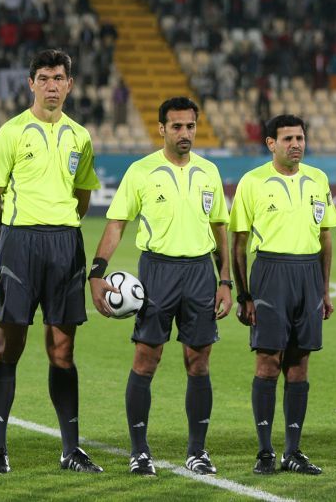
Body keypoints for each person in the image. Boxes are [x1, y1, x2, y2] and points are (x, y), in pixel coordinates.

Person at [89, 96, 232, 476]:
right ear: (162, 129)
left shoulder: (209, 172)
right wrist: (97, 272)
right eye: (177, 126)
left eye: (190, 126)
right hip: (157, 272)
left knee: (198, 361)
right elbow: (117, 223)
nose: (185, 133)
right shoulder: (141, 171)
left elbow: (220, 227)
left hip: (200, 272)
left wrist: (225, 280)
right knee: (146, 359)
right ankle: (139, 452)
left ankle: (197, 451)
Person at [0, 49, 102, 474]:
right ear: (31, 83)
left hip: (65, 244)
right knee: (9, 345)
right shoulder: (11, 132)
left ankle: (71, 450)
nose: (52, 86)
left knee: (63, 350)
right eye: (44, 78)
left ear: (69, 84)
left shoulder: (80, 137)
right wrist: (7, 240)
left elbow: (83, 193)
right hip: (19, 243)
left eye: (59, 78)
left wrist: (62, 226)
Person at [230, 114, 336, 476]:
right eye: (288, 138)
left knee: (299, 364)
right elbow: (239, 242)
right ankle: (265, 451)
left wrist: (324, 289)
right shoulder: (253, 182)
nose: (296, 144)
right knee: (268, 362)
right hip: (270, 274)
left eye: (300, 138)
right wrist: (244, 295)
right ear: (271, 144)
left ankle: (293, 451)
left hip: (308, 274)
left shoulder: (318, 179)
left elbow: (326, 238)